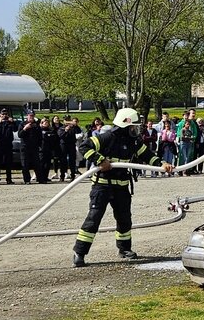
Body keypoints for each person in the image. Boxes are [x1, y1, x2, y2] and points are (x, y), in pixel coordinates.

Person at [72, 108, 173, 267]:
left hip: (122, 187)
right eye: (133, 126)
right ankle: (80, 253)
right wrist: (100, 160)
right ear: (125, 125)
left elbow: (147, 155)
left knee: (124, 220)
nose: (136, 129)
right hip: (102, 186)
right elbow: (84, 146)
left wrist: (162, 164)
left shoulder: (133, 142)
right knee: (93, 219)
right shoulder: (107, 138)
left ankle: (124, 249)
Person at [0, 109, 17, 184]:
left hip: (8, 145)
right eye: (3, 114)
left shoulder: (10, 123)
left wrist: (13, 122)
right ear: (0, 115)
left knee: (8, 163)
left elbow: (15, 129)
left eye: (5, 114)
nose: (4, 116)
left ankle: (9, 179)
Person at [17, 112, 42, 185]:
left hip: (34, 148)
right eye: (30, 115)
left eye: (32, 115)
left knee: (37, 164)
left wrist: (39, 145)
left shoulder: (36, 125)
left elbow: (40, 136)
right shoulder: (22, 124)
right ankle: (27, 180)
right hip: (25, 147)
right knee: (25, 165)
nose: (31, 117)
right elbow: (19, 135)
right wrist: (25, 128)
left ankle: (40, 179)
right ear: (27, 116)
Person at [58, 116, 81, 181]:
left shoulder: (73, 128)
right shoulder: (61, 128)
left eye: (69, 120)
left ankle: (73, 175)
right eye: (66, 120)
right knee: (63, 161)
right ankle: (62, 176)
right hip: (63, 145)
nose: (68, 122)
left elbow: (78, 131)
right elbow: (60, 136)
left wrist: (74, 125)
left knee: (72, 161)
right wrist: (65, 130)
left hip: (71, 145)